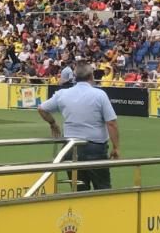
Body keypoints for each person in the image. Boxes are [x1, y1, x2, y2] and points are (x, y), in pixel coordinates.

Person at [38, 62, 120, 191]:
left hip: (71, 147)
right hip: (95, 148)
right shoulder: (99, 94)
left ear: (74, 77)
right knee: (103, 189)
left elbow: (42, 109)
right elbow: (111, 123)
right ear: (91, 76)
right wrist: (116, 147)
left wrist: (53, 124)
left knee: (78, 190)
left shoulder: (62, 94)